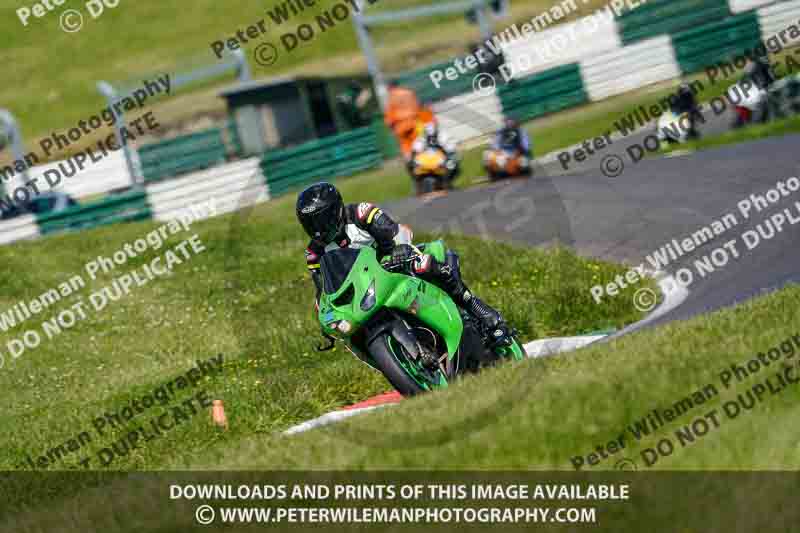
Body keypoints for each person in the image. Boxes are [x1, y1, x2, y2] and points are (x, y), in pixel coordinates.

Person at [296, 182, 512, 346]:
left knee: (424, 265)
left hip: (392, 260)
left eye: (321, 220)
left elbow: (393, 232)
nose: (318, 230)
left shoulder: (361, 213)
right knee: (349, 331)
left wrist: (397, 252)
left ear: (336, 211)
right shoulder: (314, 253)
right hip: (363, 289)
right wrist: (324, 315)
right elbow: (323, 289)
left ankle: (483, 314)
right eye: (310, 224)